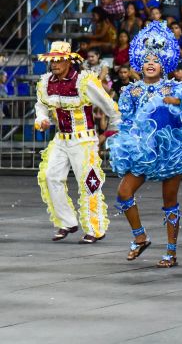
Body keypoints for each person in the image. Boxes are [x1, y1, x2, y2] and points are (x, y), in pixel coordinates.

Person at [109, 21, 182, 267]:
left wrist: (175, 100)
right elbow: (127, 121)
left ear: (163, 63)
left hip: (170, 149)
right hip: (143, 151)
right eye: (146, 60)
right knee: (123, 193)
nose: (150, 63)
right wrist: (126, 144)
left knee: (169, 200)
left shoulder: (175, 86)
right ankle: (140, 237)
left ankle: (171, 251)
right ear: (139, 63)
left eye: (155, 60)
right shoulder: (131, 92)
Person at [34, 41, 120, 243]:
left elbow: (109, 106)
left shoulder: (84, 81)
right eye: (52, 60)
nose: (54, 64)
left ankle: (95, 228)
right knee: (49, 176)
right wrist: (41, 119)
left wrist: (113, 132)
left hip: (84, 141)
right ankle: (66, 222)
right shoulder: (46, 82)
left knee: (89, 182)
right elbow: (41, 106)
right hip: (61, 139)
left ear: (68, 61)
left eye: (59, 60)